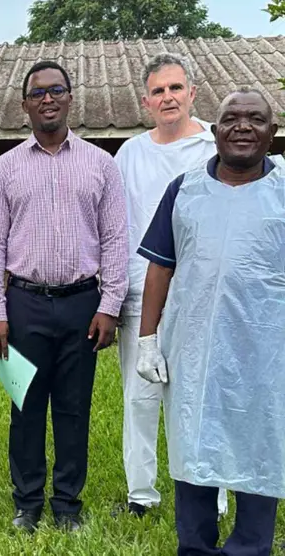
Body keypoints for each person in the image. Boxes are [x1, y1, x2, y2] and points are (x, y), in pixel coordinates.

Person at [0, 61, 128, 532]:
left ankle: (67, 504)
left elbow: (116, 240)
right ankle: (27, 502)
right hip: (22, 304)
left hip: (83, 304)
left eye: (56, 90)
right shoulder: (4, 169)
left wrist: (109, 305)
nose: (47, 98)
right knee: (24, 405)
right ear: (24, 105)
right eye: (38, 93)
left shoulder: (102, 164)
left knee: (73, 407)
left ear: (69, 98)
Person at [137, 89, 283, 556]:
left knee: (261, 443)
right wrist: (146, 340)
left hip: (268, 351)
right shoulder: (184, 189)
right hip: (194, 347)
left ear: (272, 133)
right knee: (193, 444)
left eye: (255, 119)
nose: (243, 126)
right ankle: (195, 547)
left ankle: (250, 547)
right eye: (231, 119)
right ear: (214, 132)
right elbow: (159, 267)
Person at [113, 52, 228, 518]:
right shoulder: (130, 154)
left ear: (192, 94)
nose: (168, 98)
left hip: (201, 297)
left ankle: (213, 496)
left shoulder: (214, 150)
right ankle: (141, 495)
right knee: (139, 400)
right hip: (141, 296)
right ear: (146, 100)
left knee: (201, 399)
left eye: (175, 88)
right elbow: (116, 226)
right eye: (158, 91)